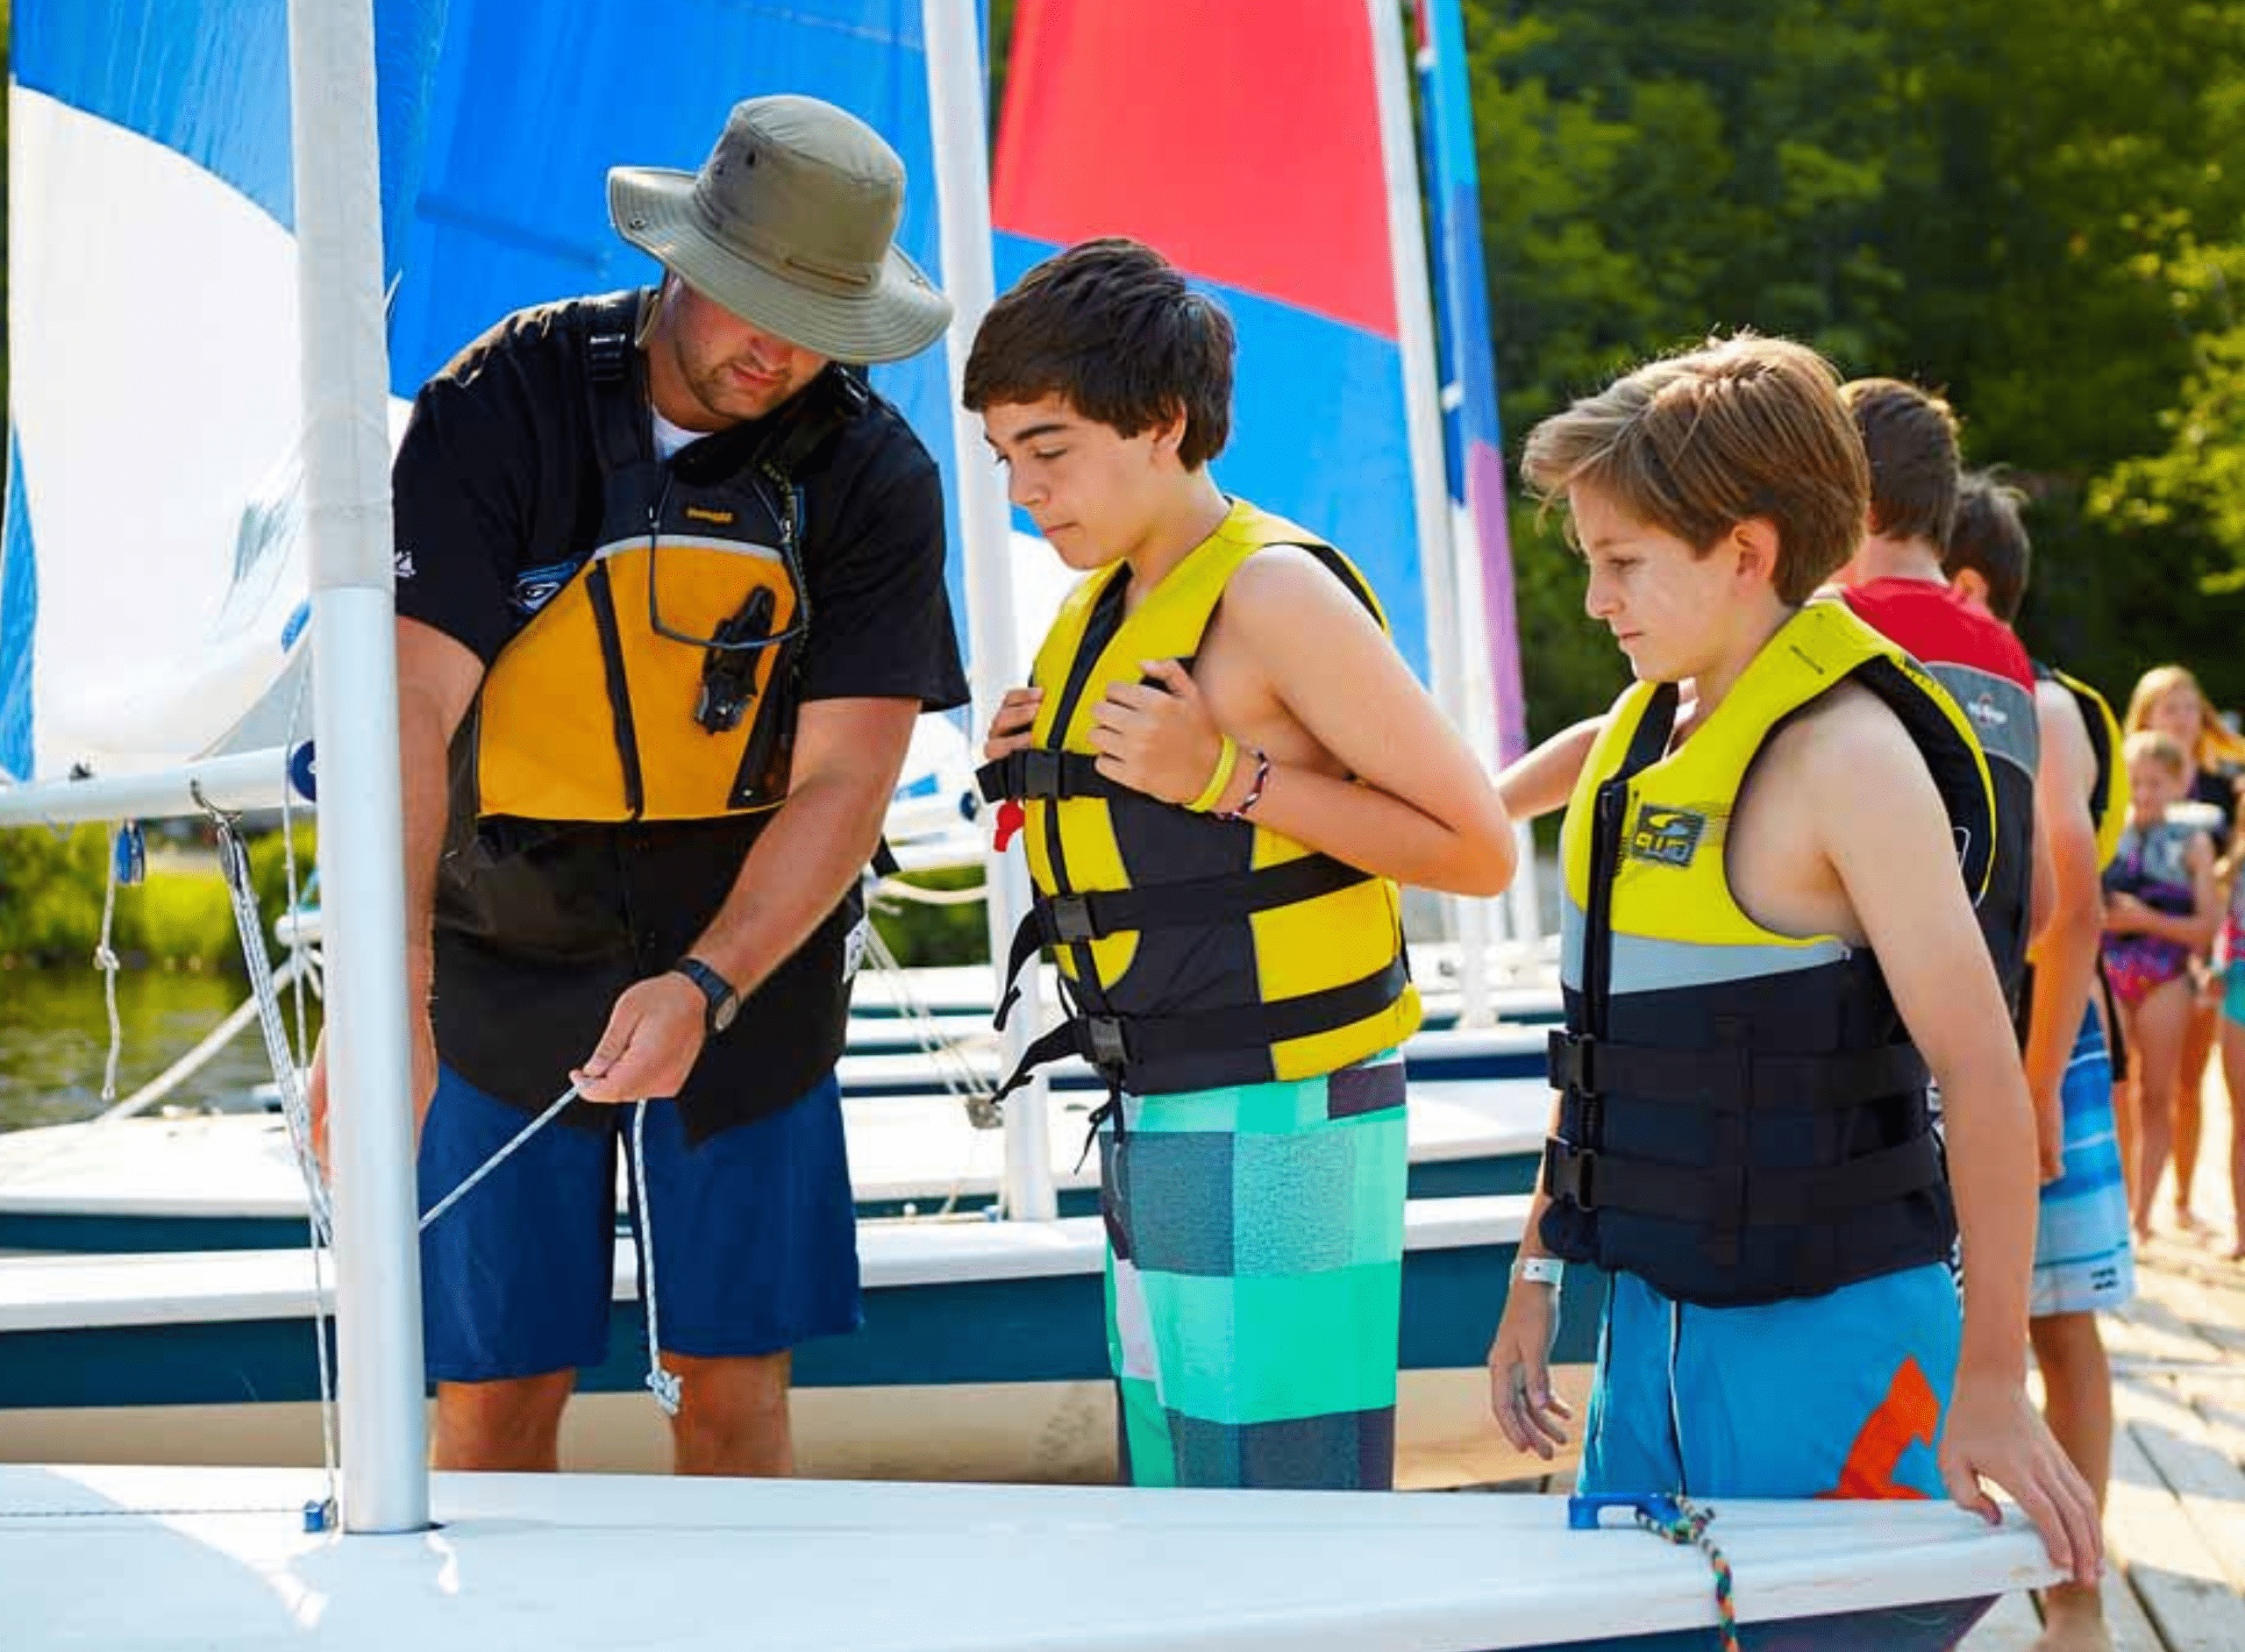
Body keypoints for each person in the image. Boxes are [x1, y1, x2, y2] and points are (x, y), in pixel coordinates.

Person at [309, 96, 969, 1475]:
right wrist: (391, 992)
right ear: (680, 261)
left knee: (730, 1389)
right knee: (490, 1395)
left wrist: (711, 983)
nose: (776, 348)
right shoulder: (502, 403)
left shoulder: (872, 474)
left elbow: (848, 779)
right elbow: (408, 707)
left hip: (752, 962)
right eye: (746, 302)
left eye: (815, 321)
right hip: (494, 950)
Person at [1484, 334, 2099, 1584]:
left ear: (1746, 556)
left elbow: (1980, 1072)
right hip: (1650, 1335)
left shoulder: (1846, 760)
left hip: (1836, 1350)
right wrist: (1538, 1269)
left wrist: (1991, 1380)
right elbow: (1609, 1059)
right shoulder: (1641, 741)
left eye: (1622, 565)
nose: (1597, 600)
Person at [966, 238, 1516, 1491]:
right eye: (1008, 460)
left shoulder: (1273, 595)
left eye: (1047, 451)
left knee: (1287, 1507)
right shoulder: (1098, 606)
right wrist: (1035, 765)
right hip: (1155, 1102)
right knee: (1186, 1497)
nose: (1023, 494)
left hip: (1284, 1113)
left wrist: (1228, 780)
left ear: (1162, 423)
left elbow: (1478, 847)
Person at [1946, 472, 2135, 1651]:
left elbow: (2075, 910)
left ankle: (2076, 1596)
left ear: (1963, 584)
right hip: (1971, 1048)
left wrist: (2032, 1088)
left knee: (2059, 1325)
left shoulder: (2041, 703)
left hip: (2038, 1052)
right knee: (1973, 1328)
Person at [1835, 381, 2044, 1019]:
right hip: (1983, 1006)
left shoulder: (1832, 627)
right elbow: (2044, 896)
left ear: (1854, 504)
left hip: (1865, 1025)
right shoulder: (2009, 655)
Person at [2122, 663, 2245, 1233]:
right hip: (2138, 951)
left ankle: (2182, 1196)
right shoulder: (2127, 777)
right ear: (2147, 715)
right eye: (2170, 707)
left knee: (2188, 1079)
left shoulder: (2225, 784)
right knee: (2136, 1076)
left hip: (2208, 945)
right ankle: (2132, 1199)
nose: (2182, 717)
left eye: (2190, 706)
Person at [2103, 729, 2221, 1242]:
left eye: (2157, 783)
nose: (2145, 793)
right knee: (2112, 1092)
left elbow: (2207, 928)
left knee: (2157, 1094)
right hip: (2108, 970)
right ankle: (2117, 1196)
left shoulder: (2193, 844)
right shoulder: (2107, 835)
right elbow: (2086, 914)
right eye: (2136, 783)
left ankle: (2142, 1212)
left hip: (2166, 976)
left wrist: (2145, 919)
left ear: (2181, 785)